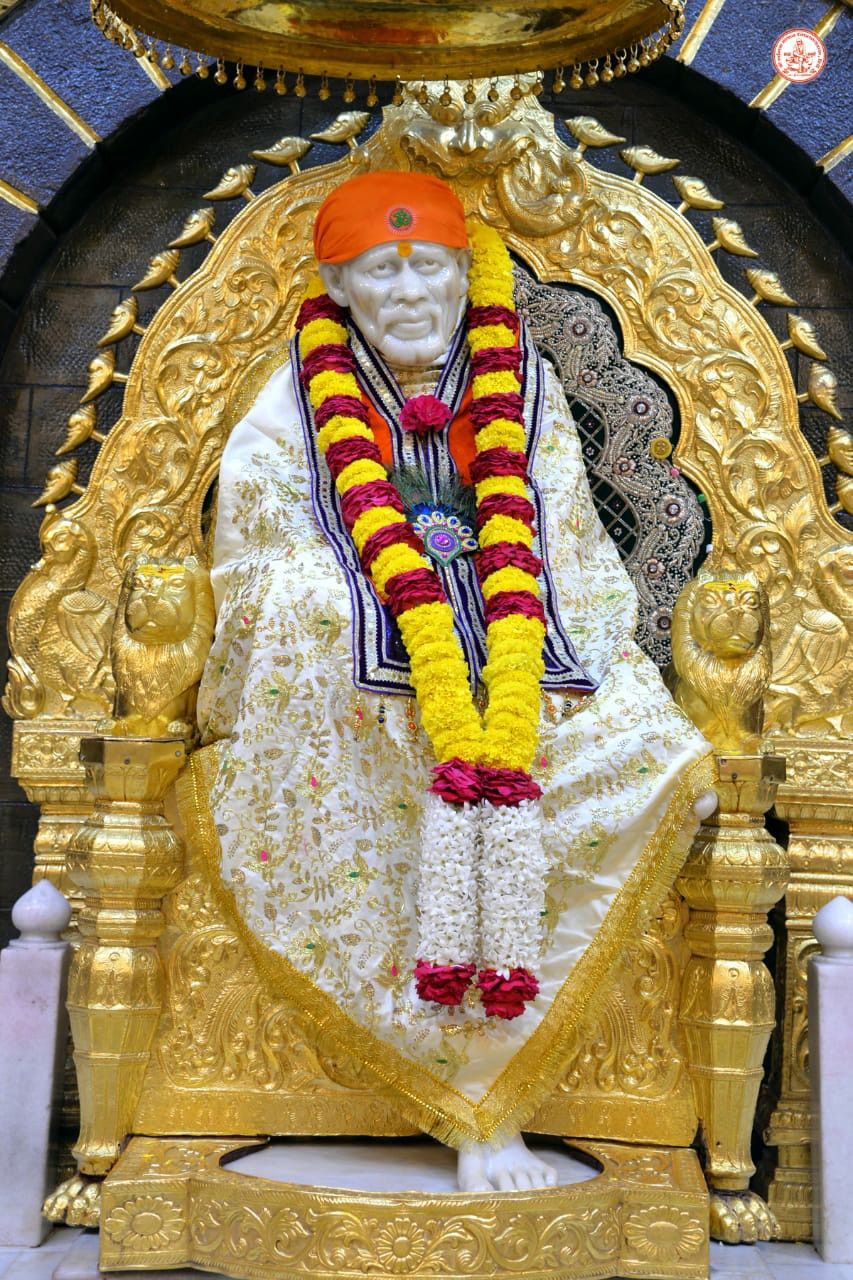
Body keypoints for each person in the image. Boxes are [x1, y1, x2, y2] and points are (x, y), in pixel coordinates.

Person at [194, 170, 715, 1192]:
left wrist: (559, 647)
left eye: (425, 265)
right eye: (380, 271)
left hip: (519, 652)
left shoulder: (518, 382)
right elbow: (258, 541)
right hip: (363, 671)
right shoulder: (298, 392)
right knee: (325, 656)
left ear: (461, 275)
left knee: (659, 756)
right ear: (339, 286)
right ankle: (456, 1086)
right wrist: (347, 605)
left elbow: (565, 536)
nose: (406, 291)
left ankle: (517, 1078)